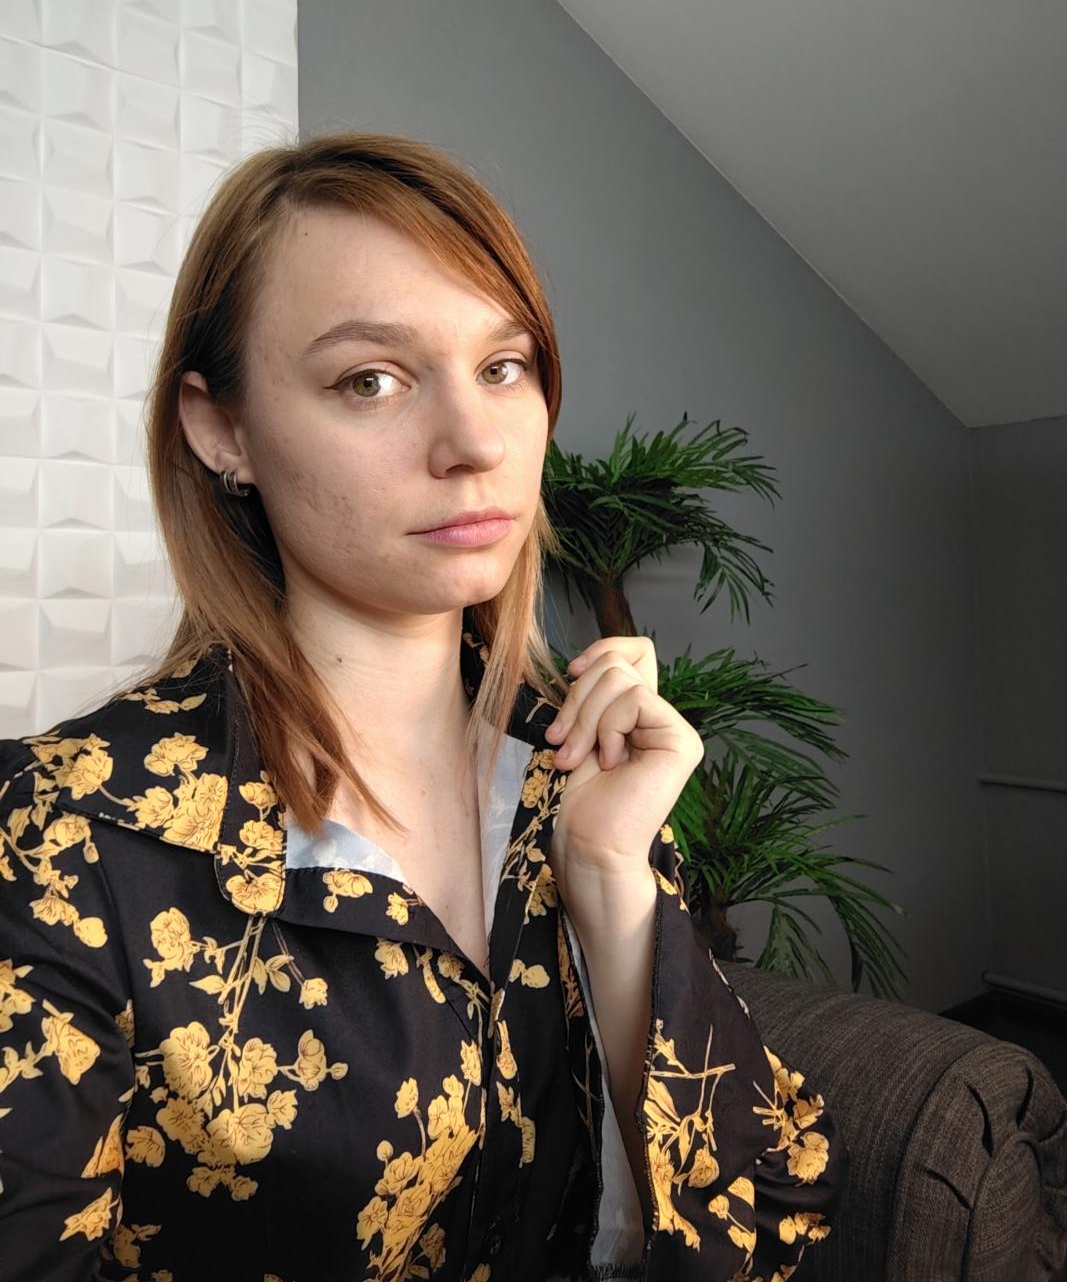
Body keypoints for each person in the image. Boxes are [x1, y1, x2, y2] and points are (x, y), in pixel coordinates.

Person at [0, 131, 848, 1282]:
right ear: (221, 428)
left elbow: (772, 1228)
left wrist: (614, 894)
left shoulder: (579, 776)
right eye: (372, 381)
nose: (476, 443)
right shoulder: (65, 831)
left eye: (504, 366)